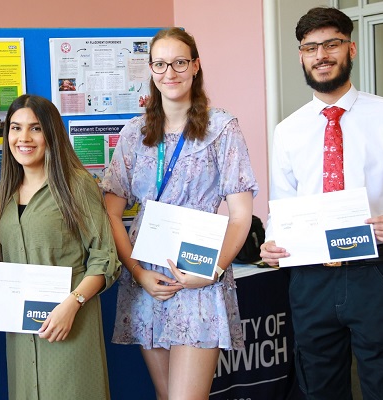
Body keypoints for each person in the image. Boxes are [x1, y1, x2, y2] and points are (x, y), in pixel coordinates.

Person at [260, 7, 383, 400]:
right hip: (309, 278)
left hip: (373, 273)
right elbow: (281, 207)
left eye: (331, 44)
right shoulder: (288, 131)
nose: (321, 55)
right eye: (310, 47)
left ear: (351, 49)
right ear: (301, 56)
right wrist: (272, 240)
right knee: (318, 387)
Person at [101, 28, 257, 399]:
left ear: (195, 66)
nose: (169, 72)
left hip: (199, 271)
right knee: (166, 394)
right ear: (151, 70)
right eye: (160, 63)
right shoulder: (134, 133)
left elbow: (240, 216)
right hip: (148, 280)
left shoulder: (221, 128)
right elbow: (110, 211)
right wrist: (138, 272)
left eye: (179, 62)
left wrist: (213, 270)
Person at [0, 94, 118, 400]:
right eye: (15, 128)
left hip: (70, 327)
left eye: (35, 128)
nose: (23, 138)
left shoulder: (76, 184)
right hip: (21, 335)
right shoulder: (5, 192)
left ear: (51, 133)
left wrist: (72, 304)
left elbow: (105, 258)